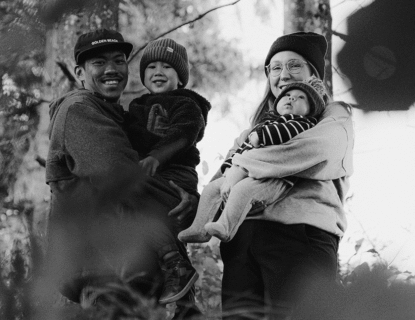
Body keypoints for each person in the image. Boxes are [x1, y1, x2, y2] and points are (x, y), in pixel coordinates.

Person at [41, 29, 199, 315]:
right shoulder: (79, 110)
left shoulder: (115, 114)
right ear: (79, 72)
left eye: (118, 61)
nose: (111, 69)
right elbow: (124, 180)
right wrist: (190, 203)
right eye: (98, 63)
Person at [214, 32, 354, 319]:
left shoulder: (332, 115)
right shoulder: (253, 129)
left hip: (300, 235)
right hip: (242, 241)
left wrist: (242, 165)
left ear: (312, 74)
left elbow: (315, 150)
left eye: (294, 66)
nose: (284, 74)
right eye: (275, 68)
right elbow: (221, 178)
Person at [178, 77, 328, 243]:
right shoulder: (264, 124)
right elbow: (241, 151)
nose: (292, 98)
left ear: (311, 110)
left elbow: (282, 132)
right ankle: (199, 228)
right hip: (243, 170)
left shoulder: (302, 124)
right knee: (211, 189)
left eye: (301, 97)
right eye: (288, 95)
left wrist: (261, 136)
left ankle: (225, 227)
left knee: (242, 190)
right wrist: (228, 169)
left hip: (271, 178)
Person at [122, 37, 210, 302]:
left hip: (175, 175)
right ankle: (185, 302)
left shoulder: (186, 103)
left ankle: (175, 263)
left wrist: (155, 158)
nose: (158, 71)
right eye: (151, 67)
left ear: (180, 78)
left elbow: (184, 133)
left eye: (167, 67)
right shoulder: (136, 107)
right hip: (149, 175)